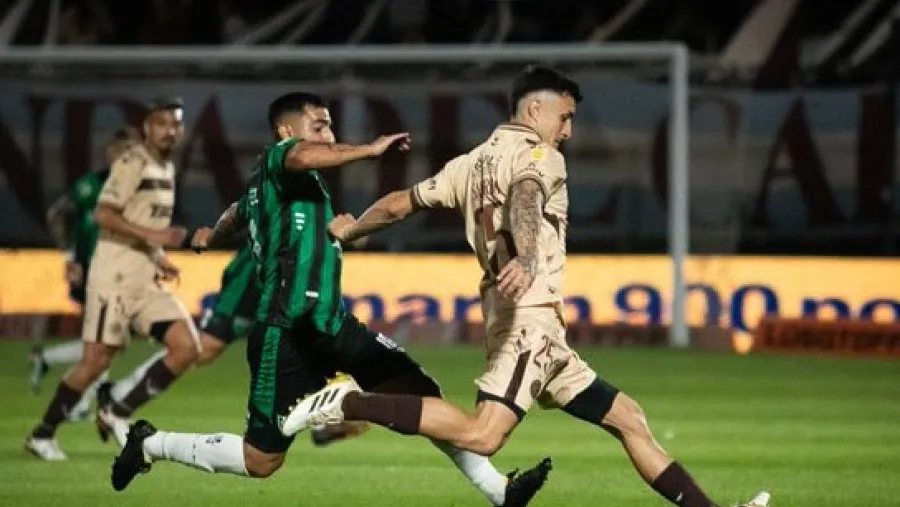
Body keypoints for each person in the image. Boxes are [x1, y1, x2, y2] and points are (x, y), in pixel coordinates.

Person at [284, 66, 772, 507]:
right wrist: (528, 255)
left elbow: (399, 204)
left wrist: (353, 229)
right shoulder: (542, 155)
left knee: (629, 419)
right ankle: (347, 402)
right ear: (535, 109)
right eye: (565, 116)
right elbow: (525, 195)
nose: (569, 130)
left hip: (532, 326)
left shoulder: (468, 163)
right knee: (483, 436)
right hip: (528, 320)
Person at [109, 92, 551, 507]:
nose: (329, 135)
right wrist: (369, 150)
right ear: (286, 132)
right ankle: (154, 443)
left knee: (419, 393)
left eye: (330, 127)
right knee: (259, 460)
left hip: (330, 322)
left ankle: (499, 490)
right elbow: (299, 156)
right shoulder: (281, 159)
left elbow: (238, 211)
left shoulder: (276, 186)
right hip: (286, 330)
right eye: (318, 126)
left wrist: (212, 235)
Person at [26, 97, 200, 461]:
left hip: (145, 279)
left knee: (187, 346)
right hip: (113, 279)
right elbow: (104, 215)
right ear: (147, 127)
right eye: (162, 123)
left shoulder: (166, 168)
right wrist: (156, 237)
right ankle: (43, 434)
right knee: (95, 362)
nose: (170, 131)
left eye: (176, 124)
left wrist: (158, 256)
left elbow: (141, 220)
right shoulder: (131, 163)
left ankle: (116, 411)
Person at [30, 126, 139, 418]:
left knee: (109, 341)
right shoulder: (90, 186)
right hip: (90, 273)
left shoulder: (138, 190)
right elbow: (56, 215)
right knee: (106, 340)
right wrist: (69, 256)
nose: (125, 157)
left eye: (131, 151)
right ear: (110, 153)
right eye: (121, 150)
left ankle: (49, 361)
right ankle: (78, 403)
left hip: (120, 273)